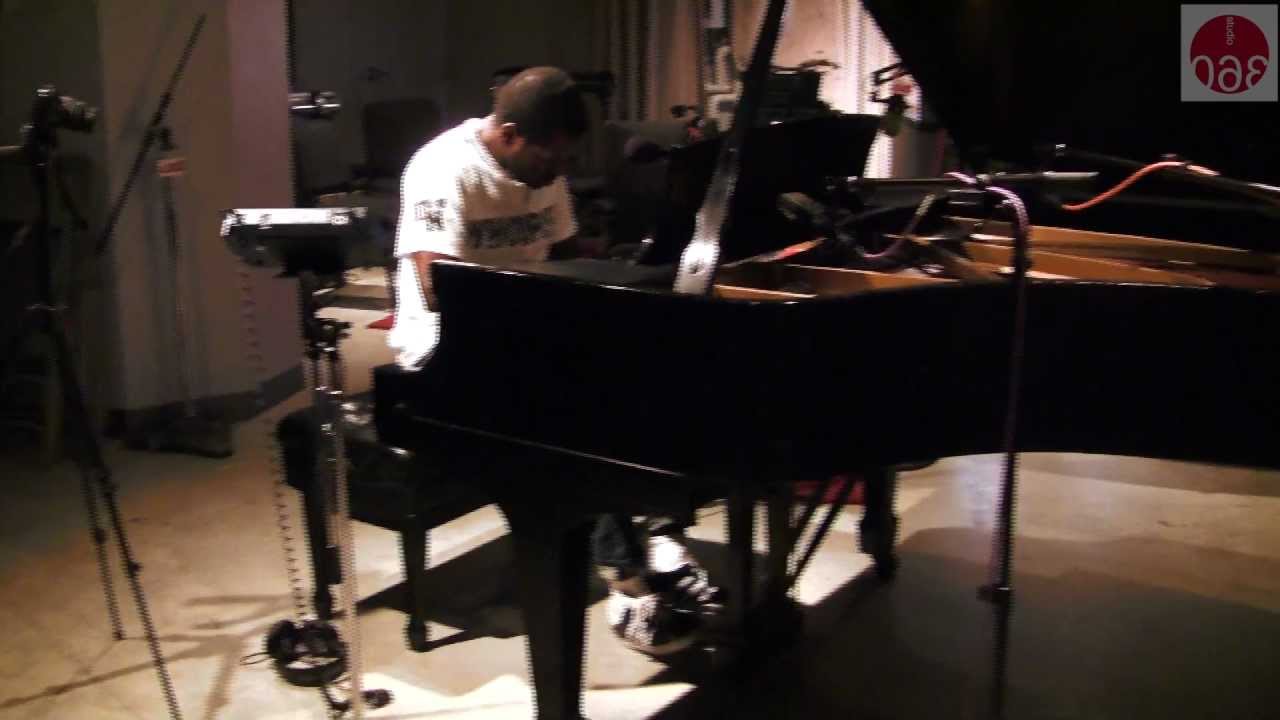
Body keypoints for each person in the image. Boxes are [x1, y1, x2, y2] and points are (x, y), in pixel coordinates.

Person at [389, 66, 723, 656]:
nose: (560, 170)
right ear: (509, 135)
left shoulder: (544, 172)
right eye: (552, 157)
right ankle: (628, 579)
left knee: (654, 370)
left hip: (524, 332)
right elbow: (439, 289)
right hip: (444, 344)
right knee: (579, 409)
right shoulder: (442, 169)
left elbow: (567, 256)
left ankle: (656, 534)